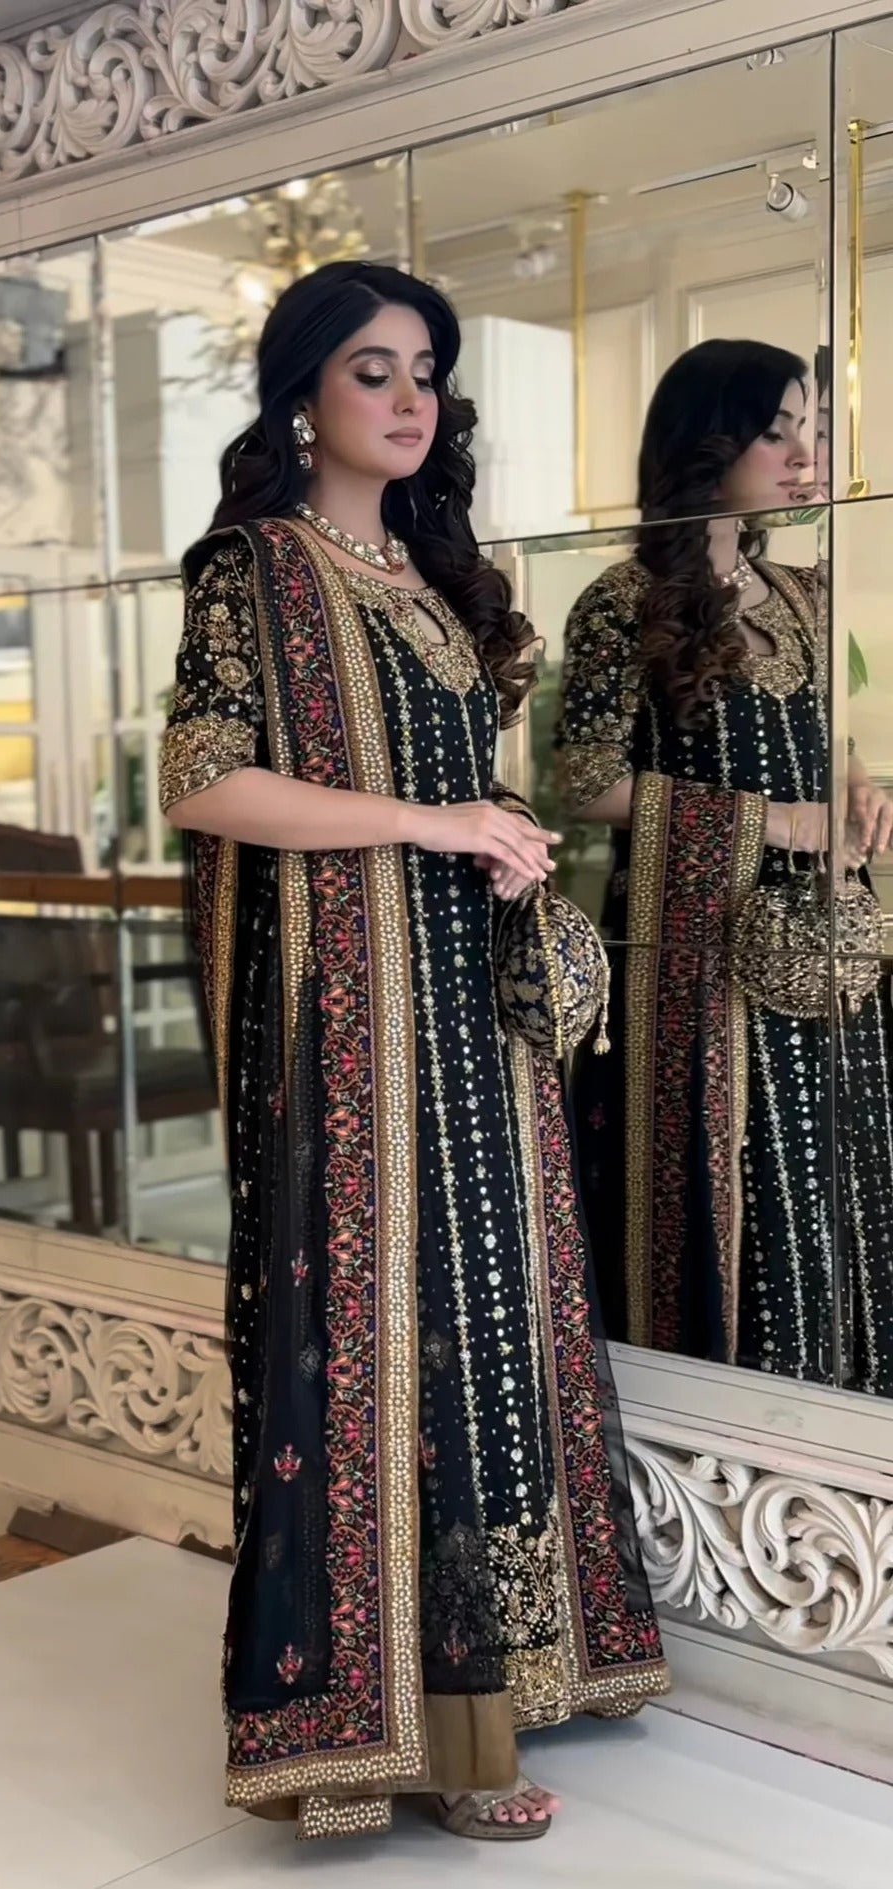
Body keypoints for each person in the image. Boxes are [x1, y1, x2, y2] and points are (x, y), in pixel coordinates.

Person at [159, 261, 667, 1844]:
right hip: (349, 1024)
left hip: (469, 1016)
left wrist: (497, 834)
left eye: (426, 371)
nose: (408, 398)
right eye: (372, 369)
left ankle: (491, 1691)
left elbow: (454, 784)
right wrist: (432, 823)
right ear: (304, 394)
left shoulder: (437, 580)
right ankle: (378, 1730)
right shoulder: (256, 566)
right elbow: (203, 778)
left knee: (488, 1324)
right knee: (380, 1333)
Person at [557, 338, 893, 1392]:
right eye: (776, 431)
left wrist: (859, 784)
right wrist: (780, 823)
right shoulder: (623, 599)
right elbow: (584, 779)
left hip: (822, 952)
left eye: (812, 430)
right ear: (710, 445)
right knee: (733, 1189)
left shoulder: (805, 594)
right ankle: (721, 1430)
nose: (805, 455)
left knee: (837, 1173)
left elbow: (831, 735)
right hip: (693, 960)